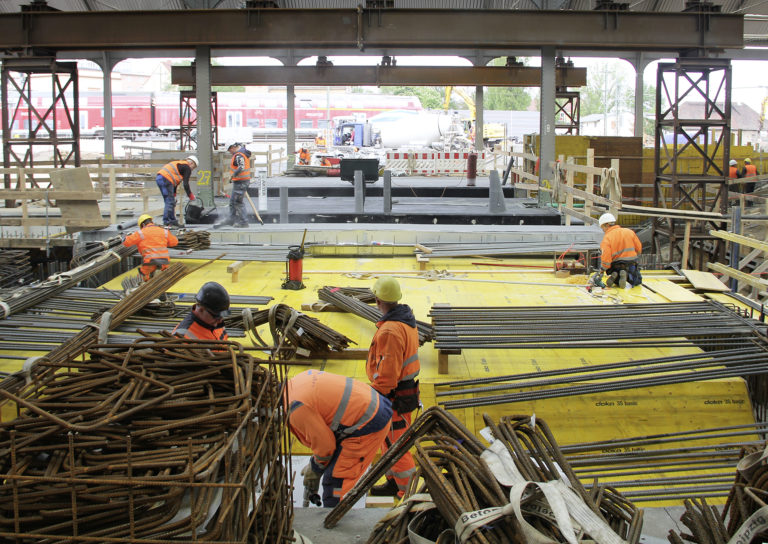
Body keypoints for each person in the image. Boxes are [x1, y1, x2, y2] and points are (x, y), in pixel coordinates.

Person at [286, 369, 392, 508]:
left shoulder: (296, 408)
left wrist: (316, 469)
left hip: (368, 422)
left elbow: (326, 446)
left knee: (335, 481)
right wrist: (316, 463)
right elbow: (324, 429)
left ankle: (333, 519)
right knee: (331, 465)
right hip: (372, 404)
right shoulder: (296, 383)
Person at [366, 276, 420, 498]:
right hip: (403, 392)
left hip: (392, 396)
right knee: (387, 440)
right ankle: (394, 483)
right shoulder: (406, 320)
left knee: (397, 444)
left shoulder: (390, 330)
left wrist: (376, 395)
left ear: (378, 300)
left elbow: (388, 374)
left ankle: (408, 493)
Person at [122, 214, 178, 282]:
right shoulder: (164, 231)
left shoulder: (140, 233)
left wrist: (123, 238)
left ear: (142, 224)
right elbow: (174, 242)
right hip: (164, 261)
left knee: (142, 278)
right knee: (164, 280)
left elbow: (126, 243)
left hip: (149, 262)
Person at [597, 213, 643, 289]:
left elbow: (606, 258)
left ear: (607, 225)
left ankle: (616, 276)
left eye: (603, 228)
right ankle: (626, 275)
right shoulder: (629, 231)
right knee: (637, 281)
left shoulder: (607, 238)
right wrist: (634, 257)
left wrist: (603, 269)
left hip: (616, 265)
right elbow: (639, 248)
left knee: (617, 279)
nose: (603, 230)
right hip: (631, 263)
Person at [156, 156, 198, 227]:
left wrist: (174, 195)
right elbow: (186, 184)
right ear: (191, 163)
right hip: (166, 179)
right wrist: (190, 196)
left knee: (169, 201)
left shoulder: (180, 165)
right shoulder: (187, 167)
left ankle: (171, 221)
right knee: (170, 202)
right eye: (193, 167)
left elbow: (174, 182)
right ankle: (168, 222)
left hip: (160, 178)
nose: (192, 169)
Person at [224, 141, 251, 228]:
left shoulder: (239, 155)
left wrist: (233, 175)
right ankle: (232, 220)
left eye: (229, 150)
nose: (230, 152)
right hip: (240, 181)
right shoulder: (241, 154)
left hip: (241, 182)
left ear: (232, 147)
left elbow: (241, 167)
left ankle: (244, 222)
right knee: (232, 202)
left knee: (238, 202)